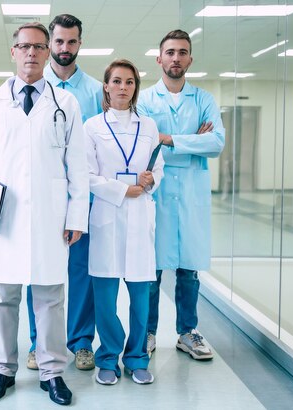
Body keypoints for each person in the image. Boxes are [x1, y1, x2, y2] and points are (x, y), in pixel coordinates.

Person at [0, 22, 89, 406]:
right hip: (4, 216)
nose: (31, 53)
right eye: (23, 47)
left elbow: (77, 166)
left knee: (50, 299)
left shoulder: (66, 103)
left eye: (38, 47)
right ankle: (3, 369)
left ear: (48, 52)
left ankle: (52, 373)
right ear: (13, 52)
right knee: (3, 297)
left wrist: (76, 217)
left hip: (51, 215)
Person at [136, 29, 225, 360]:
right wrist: (192, 139)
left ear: (190, 59)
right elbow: (143, 141)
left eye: (182, 52)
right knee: (152, 271)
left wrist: (170, 139)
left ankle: (188, 332)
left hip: (190, 194)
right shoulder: (144, 99)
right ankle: (147, 332)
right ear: (159, 59)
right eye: (170, 52)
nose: (176, 58)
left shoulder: (204, 99)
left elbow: (216, 143)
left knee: (189, 270)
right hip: (156, 191)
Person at [25, 13, 103, 372]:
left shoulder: (94, 92)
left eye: (72, 42)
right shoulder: (33, 89)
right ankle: (37, 343)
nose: (64, 48)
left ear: (80, 43)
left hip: (81, 198)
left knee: (81, 272)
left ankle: (82, 342)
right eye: (58, 41)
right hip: (41, 199)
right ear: (49, 44)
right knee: (37, 271)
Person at [84, 59, 163, 385]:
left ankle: (136, 358)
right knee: (104, 297)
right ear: (106, 86)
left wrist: (147, 182)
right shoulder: (92, 127)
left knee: (140, 295)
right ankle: (107, 357)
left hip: (139, 215)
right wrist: (123, 190)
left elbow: (159, 168)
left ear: (135, 87)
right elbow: (87, 175)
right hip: (107, 214)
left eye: (129, 82)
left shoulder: (149, 126)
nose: (122, 87)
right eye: (116, 81)